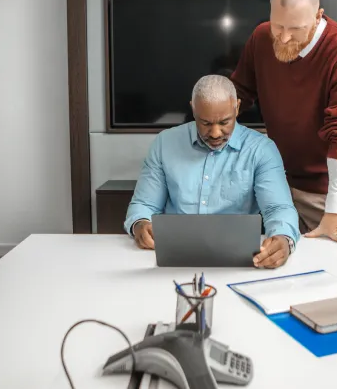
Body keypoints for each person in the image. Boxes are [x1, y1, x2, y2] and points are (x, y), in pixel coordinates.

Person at [230, 0, 337, 248]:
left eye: (295, 28)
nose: (283, 37)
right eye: (278, 25)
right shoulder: (261, 36)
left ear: (318, 16)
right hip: (278, 178)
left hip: (325, 189)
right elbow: (241, 90)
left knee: (325, 271)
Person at [124, 75, 300, 269]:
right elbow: (144, 204)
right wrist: (140, 223)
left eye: (225, 122)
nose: (215, 133)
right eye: (205, 123)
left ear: (237, 107)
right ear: (193, 109)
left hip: (239, 261)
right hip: (172, 258)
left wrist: (283, 239)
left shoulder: (261, 150)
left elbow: (278, 208)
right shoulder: (165, 143)